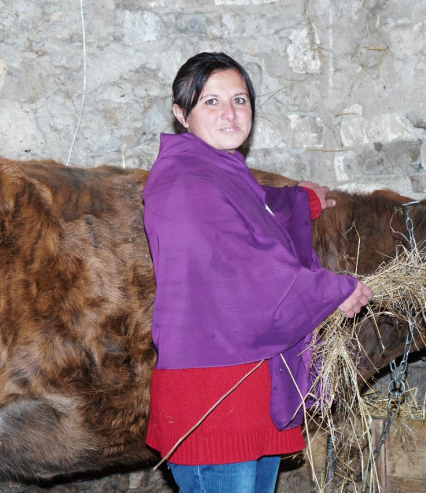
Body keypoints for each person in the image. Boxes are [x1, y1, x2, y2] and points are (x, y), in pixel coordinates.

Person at [142, 52, 372, 493]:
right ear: (180, 114)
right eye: (210, 102)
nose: (229, 114)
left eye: (240, 100)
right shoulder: (184, 183)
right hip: (212, 400)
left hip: (247, 391)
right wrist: (332, 290)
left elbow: (251, 210)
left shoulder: (217, 170)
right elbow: (246, 279)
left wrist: (298, 204)